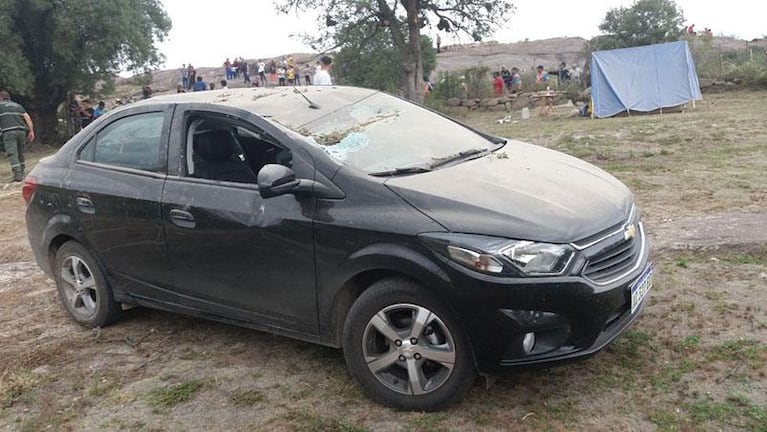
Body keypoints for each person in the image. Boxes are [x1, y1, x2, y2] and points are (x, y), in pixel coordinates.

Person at [0, 90, 35, 182]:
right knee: (20, 152)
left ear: (1, 98)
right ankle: (22, 171)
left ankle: (18, 175)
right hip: (21, 131)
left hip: (9, 132)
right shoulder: (18, 106)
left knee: (12, 153)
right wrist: (31, 131)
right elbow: (27, 117)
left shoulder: (0, 106)